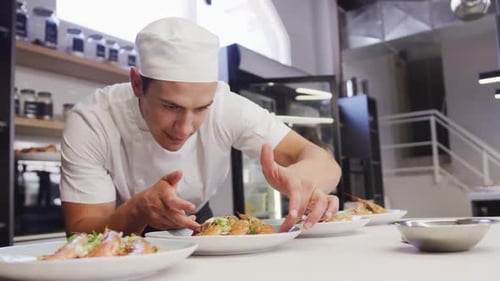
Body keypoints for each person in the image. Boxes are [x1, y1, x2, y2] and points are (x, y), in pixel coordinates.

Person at [60, 17, 342, 236]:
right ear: (137, 84)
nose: (184, 127)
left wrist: (303, 180)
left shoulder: (227, 106)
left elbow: (324, 163)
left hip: (198, 220)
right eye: (171, 107)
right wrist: (138, 210)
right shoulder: (93, 119)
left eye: (201, 109)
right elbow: (80, 233)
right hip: (119, 229)